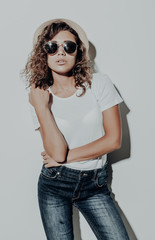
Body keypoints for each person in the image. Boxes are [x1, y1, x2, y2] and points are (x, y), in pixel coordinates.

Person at [23, 18, 129, 240]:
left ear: (78, 53)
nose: (60, 52)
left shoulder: (99, 84)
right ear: (44, 53)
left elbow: (113, 141)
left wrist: (67, 157)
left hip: (95, 184)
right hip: (54, 183)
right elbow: (56, 152)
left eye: (68, 47)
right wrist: (41, 107)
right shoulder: (39, 96)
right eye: (52, 47)